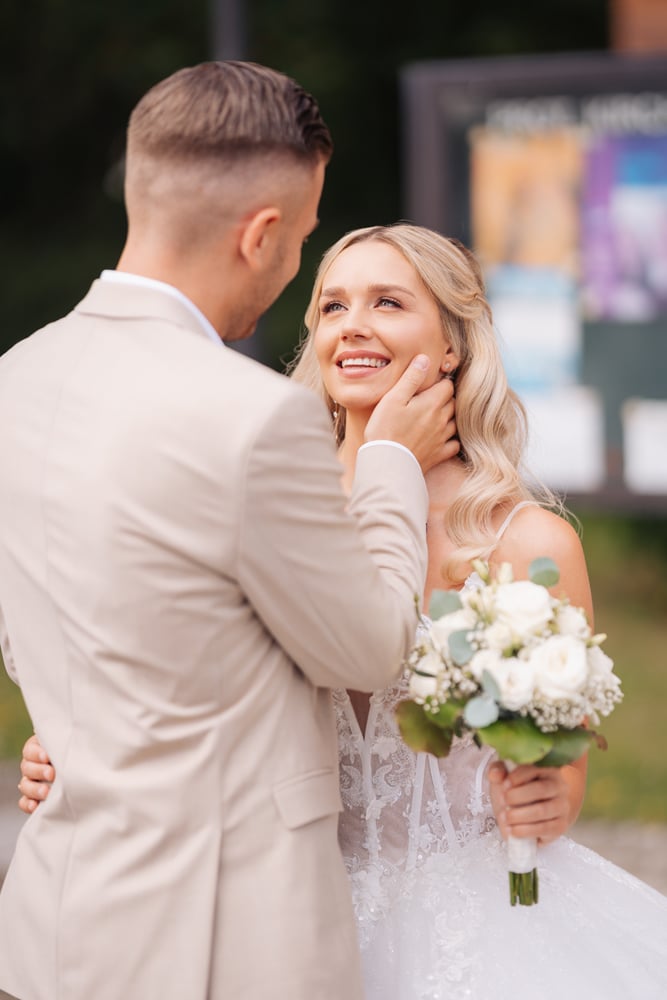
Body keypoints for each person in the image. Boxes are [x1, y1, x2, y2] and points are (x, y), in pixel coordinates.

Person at [19, 223, 667, 997]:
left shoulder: (526, 540)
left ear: (454, 344)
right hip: (280, 916)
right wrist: (70, 738)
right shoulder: (262, 510)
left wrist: (545, 799)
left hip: (484, 931)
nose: (352, 324)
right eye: (331, 307)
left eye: (387, 303)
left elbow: (563, 769)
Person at [0, 65, 459, 1000]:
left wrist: (75, 736)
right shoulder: (252, 417)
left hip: (52, 925)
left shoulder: (17, 378)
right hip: (222, 948)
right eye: (300, 241)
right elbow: (370, 647)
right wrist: (389, 466)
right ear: (259, 235)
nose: (296, 270)